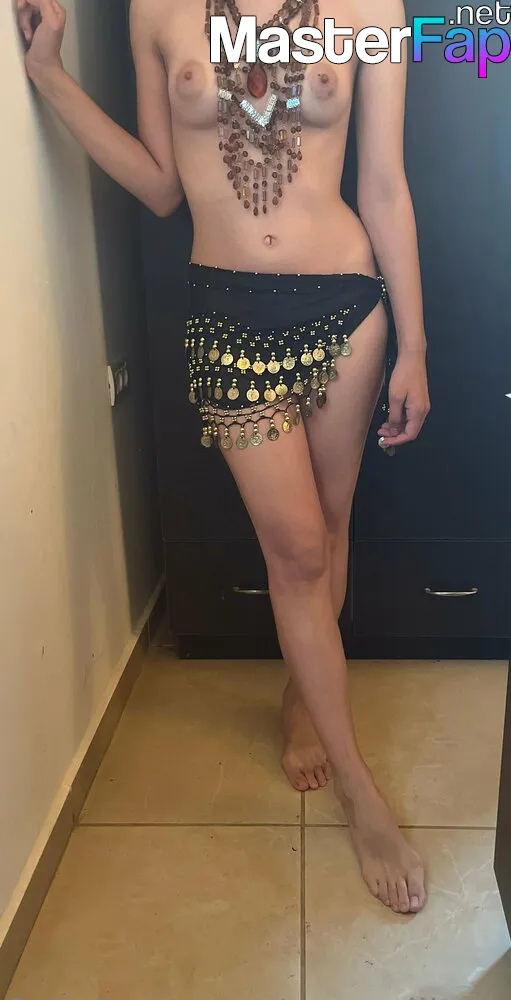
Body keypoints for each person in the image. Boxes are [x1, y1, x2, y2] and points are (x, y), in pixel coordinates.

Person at [17, 0, 430, 915]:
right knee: (297, 551)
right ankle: (361, 793)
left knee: (330, 526)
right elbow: (162, 186)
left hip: (348, 307)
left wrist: (414, 345)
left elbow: (383, 184)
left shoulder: (372, 7)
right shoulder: (157, 9)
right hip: (227, 318)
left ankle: (302, 698)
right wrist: (48, 77)